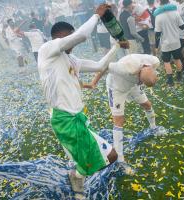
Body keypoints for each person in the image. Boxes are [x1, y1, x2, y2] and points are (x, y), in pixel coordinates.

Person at [37, 4, 118, 199]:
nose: (72, 42)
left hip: (79, 118)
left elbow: (99, 65)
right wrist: (97, 16)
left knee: (110, 155)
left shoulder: (71, 58)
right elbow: (81, 35)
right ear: (60, 36)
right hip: (65, 120)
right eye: (68, 36)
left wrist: (116, 46)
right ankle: (76, 181)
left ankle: (77, 179)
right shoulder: (47, 49)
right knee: (101, 159)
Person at [154, 0, 184, 86]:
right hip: (176, 41)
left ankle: (170, 81)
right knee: (177, 59)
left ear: (160, 2)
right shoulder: (175, 13)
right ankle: (179, 76)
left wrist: (156, 46)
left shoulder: (158, 16)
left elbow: (157, 33)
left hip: (165, 44)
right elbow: (182, 26)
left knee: (166, 62)